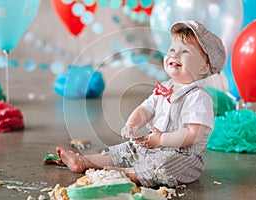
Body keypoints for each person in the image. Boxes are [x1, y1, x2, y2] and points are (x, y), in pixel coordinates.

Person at [56, 20, 226, 188]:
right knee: (130, 148)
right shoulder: (165, 88)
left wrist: (162, 139)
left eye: (185, 52)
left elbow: (192, 135)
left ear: (203, 68)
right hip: (155, 146)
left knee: (166, 165)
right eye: (172, 49)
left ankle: (131, 174)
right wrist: (133, 123)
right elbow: (145, 109)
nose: (174, 55)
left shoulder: (198, 97)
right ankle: (85, 161)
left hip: (184, 158)